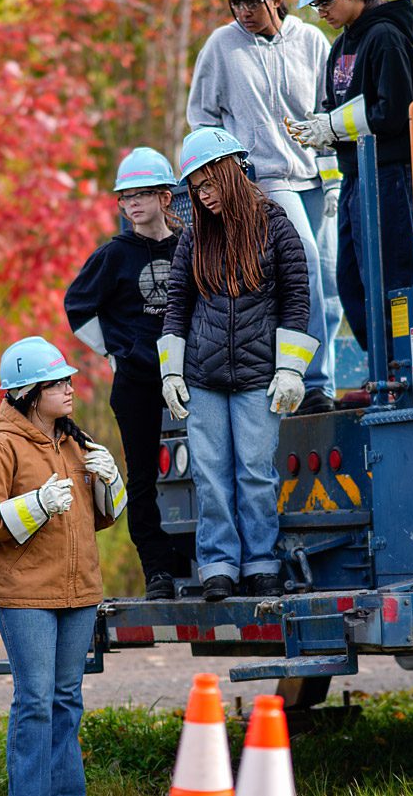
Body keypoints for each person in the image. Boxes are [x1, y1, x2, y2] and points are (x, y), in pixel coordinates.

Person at [0, 337, 125, 796]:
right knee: (35, 701)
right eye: (59, 383)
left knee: (67, 699)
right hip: (26, 598)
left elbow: (103, 518)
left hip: (79, 595)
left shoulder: (75, 441)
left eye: (70, 380)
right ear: (28, 393)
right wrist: (35, 504)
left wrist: (110, 482)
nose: (71, 389)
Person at [159, 127, 315, 602]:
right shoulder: (193, 240)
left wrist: (290, 369)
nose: (203, 198)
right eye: (196, 190)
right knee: (210, 475)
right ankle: (219, 566)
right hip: (204, 378)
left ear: (230, 174)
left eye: (209, 186)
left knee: (254, 472)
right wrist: (171, 371)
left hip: (258, 378)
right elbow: (176, 305)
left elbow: (296, 298)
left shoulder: (277, 224)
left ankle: (262, 564)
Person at [187, 0, 341, 413]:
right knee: (307, 264)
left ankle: (325, 379)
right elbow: (201, 118)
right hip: (266, 180)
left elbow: (330, 111)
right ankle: (310, 380)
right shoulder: (222, 47)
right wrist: (230, 174)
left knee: (331, 280)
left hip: (317, 176)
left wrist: (335, 182)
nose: (244, 11)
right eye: (236, 2)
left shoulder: (312, 41)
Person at [287, 0, 413, 350]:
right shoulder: (342, 45)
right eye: (315, 6)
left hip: (392, 171)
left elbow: (394, 110)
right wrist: (323, 128)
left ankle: (402, 363)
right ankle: (381, 365)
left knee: (391, 276)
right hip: (356, 175)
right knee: (351, 279)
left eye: (325, 1)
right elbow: (337, 110)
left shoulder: (385, 37)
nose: (322, 12)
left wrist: (332, 126)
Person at [65, 147, 189, 600]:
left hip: (192, 376)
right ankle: (157, 570)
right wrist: (116, 353)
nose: (132, 204)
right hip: (136, 380)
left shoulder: (187, 248)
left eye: (141, 195)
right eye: (125, 198)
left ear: (165, 196)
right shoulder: (113, 255)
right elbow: (77, 307)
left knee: (210, 470)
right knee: (142, 478)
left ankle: (209, 560)